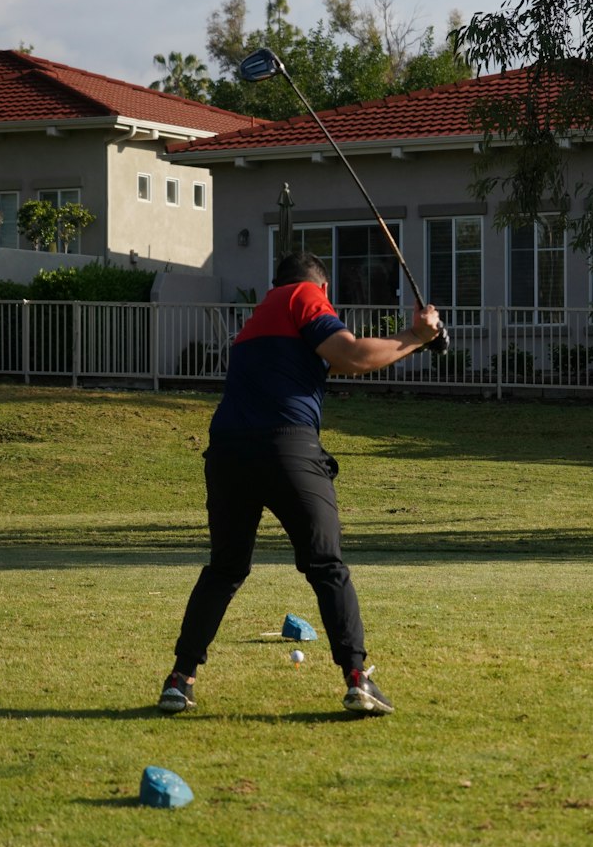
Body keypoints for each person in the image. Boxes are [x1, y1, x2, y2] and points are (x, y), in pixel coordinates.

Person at [157, 249, 442, 716]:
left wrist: (418, 339)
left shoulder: (258, 317)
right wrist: (417, 334)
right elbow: (349, 355)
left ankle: (179, 680)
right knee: (326, 566)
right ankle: (357, 679)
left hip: (227, 452)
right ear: (323, 289)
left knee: (225, 569)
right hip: (286, 448)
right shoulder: (305, 296)